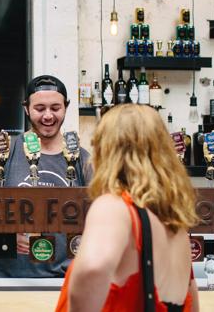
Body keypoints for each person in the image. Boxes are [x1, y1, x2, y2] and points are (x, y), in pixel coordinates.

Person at [55, 104, 200, 312]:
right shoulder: (177, 228)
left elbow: (92, 269)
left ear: (108, 151)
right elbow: (193, 304)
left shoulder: (114, 207)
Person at [0, 75, 92, 278]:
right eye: (40, 109)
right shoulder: (4, 153)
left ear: (66, 107)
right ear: (26, 109)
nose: (48, 116)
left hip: (64, 282)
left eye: (55, 108)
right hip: (6, 281)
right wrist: (3, 237)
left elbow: (99, 221)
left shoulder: (82, 159)